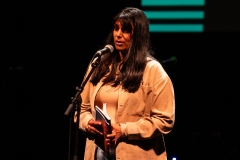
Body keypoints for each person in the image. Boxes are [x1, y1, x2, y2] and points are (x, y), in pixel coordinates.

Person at [75, 7, 175, 160]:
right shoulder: (99, 64)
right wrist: (87, 122)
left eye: (126, 30)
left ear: (138, 35)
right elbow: (82, 108)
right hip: (98, 152)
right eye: (116, 28)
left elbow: (165, 120)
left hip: (135, 153)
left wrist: (124, 130)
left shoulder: (153, 70)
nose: (118, 35)